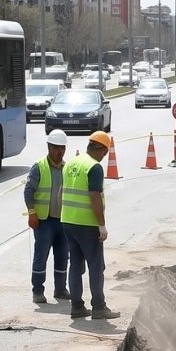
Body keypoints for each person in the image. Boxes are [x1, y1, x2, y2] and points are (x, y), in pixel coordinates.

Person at [59, 131, 119, 321]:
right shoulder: (94, 167)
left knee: (75, 265)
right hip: (87, 224)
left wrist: (65, 215)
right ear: (100, 148)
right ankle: (99, 307)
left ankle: (76, 307)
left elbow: (61, 193)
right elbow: (94, 198)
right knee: (95, 266)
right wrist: (101, 225)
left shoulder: (71, 163)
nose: (105, 156)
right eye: (105, 152)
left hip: (68, 221)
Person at [25, 129, 74, 304]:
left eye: (62, 148)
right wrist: (32, 212)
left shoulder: (67, 168)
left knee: (62, 256)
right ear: (49, 147)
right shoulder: (39, 167)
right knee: (41, 255)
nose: (59, 152)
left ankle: (60, 289)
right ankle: (38, 291)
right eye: (56, 148)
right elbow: (28, 191)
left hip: (62, 220)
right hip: (44, 221)